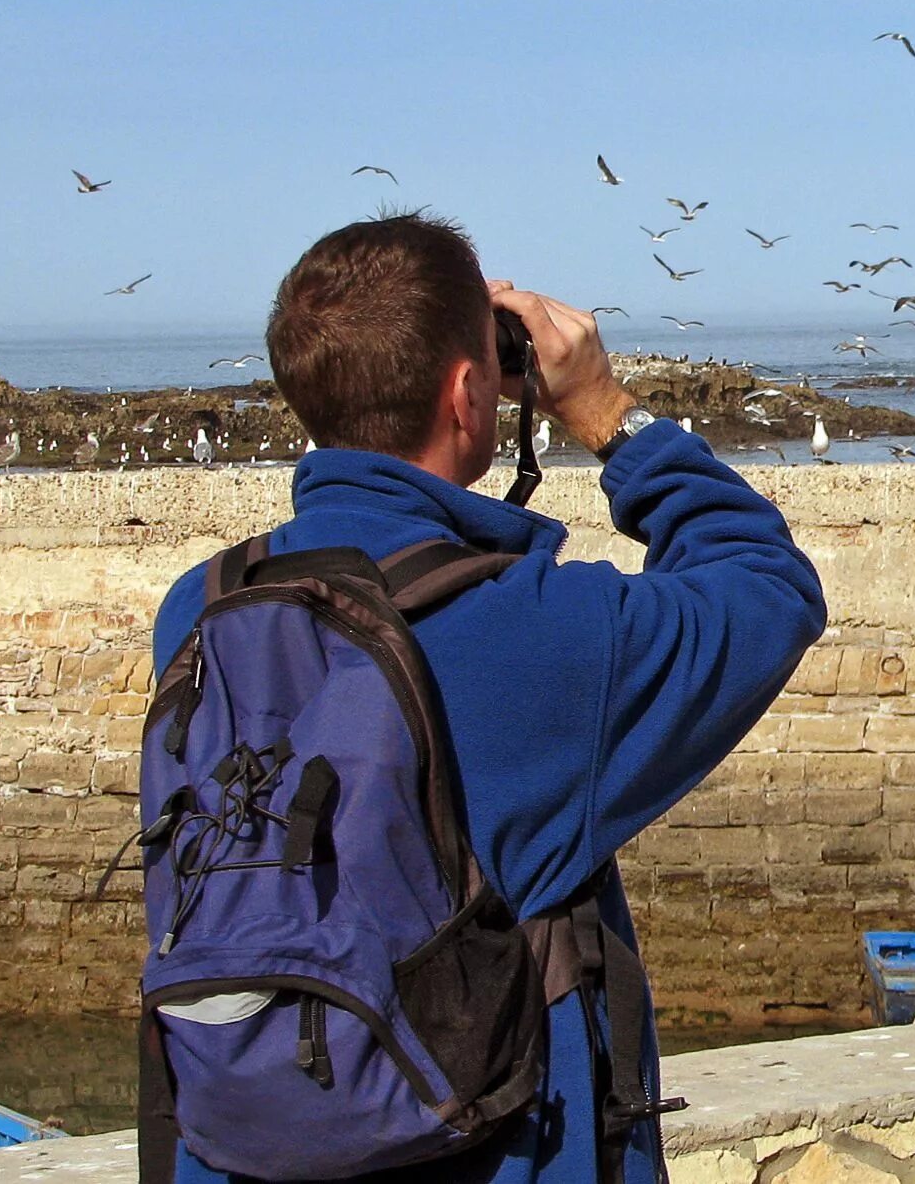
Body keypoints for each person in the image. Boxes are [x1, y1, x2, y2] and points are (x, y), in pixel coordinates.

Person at [145, 212, 827, 1183]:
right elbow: (767, 585)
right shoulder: (542, 631)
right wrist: (600, 410)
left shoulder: (200, 615)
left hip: (236, 1149)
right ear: (471, 391)